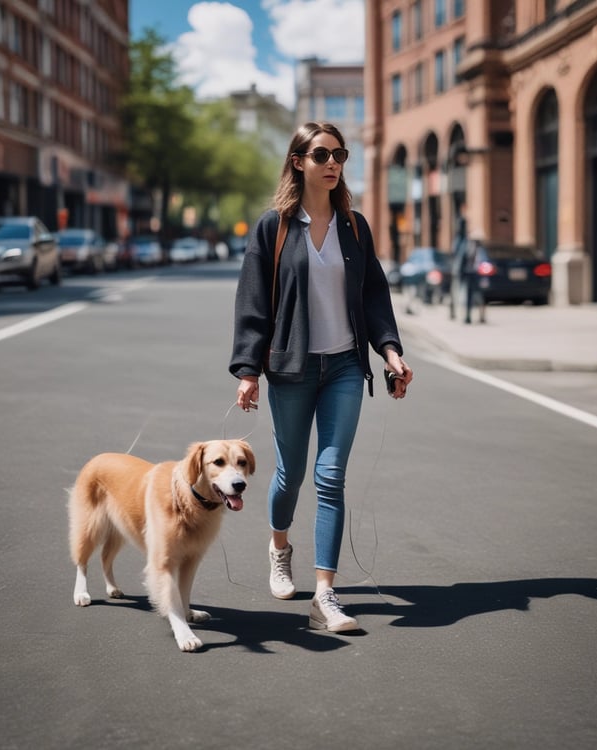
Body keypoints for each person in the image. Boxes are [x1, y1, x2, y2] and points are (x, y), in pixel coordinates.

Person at [229, 122, 413, 633]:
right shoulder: (274, 228)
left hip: (346, 367)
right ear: (298, 161)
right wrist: (248, 370)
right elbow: (251, 303)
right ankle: (279, 547)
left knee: (331, 476)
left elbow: (374, 296)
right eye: (322, 154)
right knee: (291, 475)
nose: (333, 163)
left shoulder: (354, 226)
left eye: (340, 155)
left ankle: (326, 595)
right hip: (291, 367)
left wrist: (391, 351)